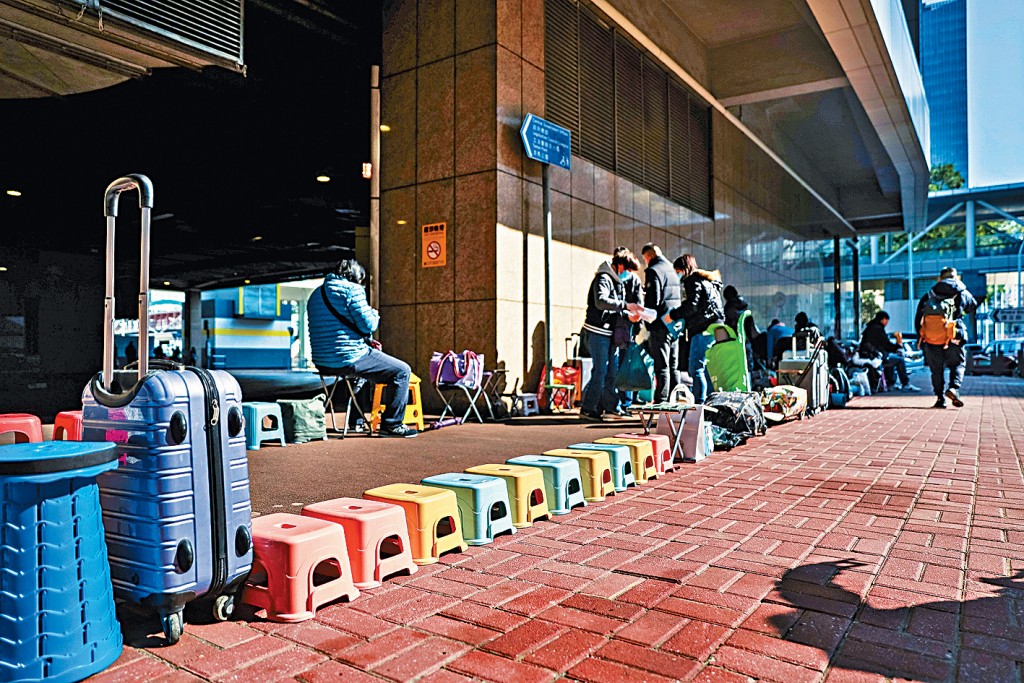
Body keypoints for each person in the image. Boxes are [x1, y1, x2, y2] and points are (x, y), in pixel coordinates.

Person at [307, 258, 417, 437]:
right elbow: (369, 325)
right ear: (356, 277)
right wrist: (374, 313)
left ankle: (356, 421)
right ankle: (392, 425)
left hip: (322, 362)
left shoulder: (316, 294)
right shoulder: (352, 290)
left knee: (362, 375)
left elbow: (335, 329)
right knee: (402, 371)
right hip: (348, 358)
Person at [580, 248, 643, 421]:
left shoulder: (615, 281)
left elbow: (615, 308)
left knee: (611, 372)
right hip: (598, 331)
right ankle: (588, 408)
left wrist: (628, 314)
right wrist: (625, 306)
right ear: (621, 266)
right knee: (600, 371)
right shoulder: (603, 278)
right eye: (629, 270)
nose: (629, 275)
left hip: (608, 332)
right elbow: (601, 301)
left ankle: (611, 407)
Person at [915, 267, 978, 409]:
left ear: (940, 278)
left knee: (936, 370)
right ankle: (954, 388)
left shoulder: (929, 294)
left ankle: (939, 398)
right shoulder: (962, 292)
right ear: (955, 277)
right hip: (954, 335)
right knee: (957, 364)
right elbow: (972, 306)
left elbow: (918, 317)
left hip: (932, 339)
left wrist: (922, 336)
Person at [668, 254, 724, 404]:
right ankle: (711, 402)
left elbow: (692, 305)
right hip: (714, 327)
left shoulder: (692, 281)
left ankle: (700, 404)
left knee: (696, 367)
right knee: (705, 369)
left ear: (683, 269)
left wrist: (674, 314)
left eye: (677, 271)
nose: (677, 275)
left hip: (703, 328)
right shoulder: (707, 281)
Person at [641, 243, 682, 403]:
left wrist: (648, 321)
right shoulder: (672, 270)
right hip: (674, 325)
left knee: (662, 365)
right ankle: (676, 399)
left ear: (648, 257)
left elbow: (654, 300)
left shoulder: (653, 271)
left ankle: (662, 400)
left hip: (660, 325)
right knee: (673, 365)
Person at [859, 310, 919, 392]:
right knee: (899, 360)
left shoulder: (870, 327)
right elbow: (885, 344)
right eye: (886, 320)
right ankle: (905, 383)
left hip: (869, 355)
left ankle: (890, 383)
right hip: (875, 357)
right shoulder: (878, 329)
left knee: (891, 359)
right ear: (883, 319)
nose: (887, 323)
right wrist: (896, 348)